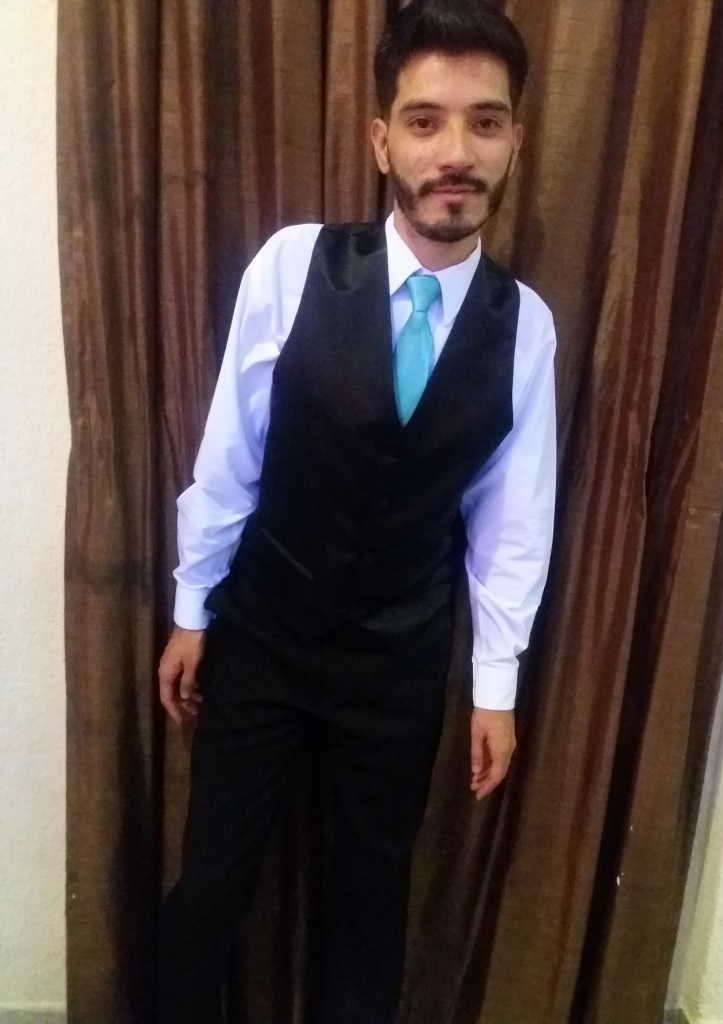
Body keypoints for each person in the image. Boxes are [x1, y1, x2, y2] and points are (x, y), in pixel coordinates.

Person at [157, 1, 556, 1021]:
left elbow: (511, 519)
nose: (454, 151)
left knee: (371, 906)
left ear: (514, 140)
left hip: (398, 664)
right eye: (425, 121)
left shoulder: (527, 328)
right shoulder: (291, 265)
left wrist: (496, 687)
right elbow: (231, 453)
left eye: (484, 121)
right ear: (383, 141)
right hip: (264, 635)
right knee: (209, 888)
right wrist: (193, 608)